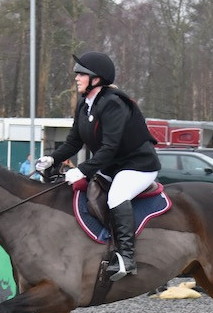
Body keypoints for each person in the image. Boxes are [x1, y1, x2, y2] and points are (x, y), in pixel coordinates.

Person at [35, 51, 160, 281]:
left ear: (96, 78)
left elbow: (109, 147)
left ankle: (126, 258)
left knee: (116, 196)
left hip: (137, 164)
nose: (76, 78)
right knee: (79, 191)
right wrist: (52, 158)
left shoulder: (113, 104)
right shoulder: (85, 104)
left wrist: (82, 169)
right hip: (112, 165)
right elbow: (74, 140)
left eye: (81, 74)